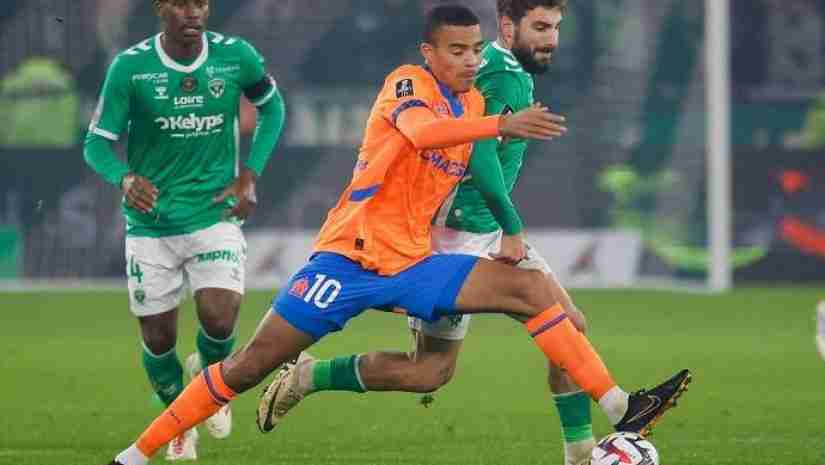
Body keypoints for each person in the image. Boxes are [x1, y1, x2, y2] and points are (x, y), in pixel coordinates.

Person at [107, 6, 689, 465]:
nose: (469, 60)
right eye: (456, 50)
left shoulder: (475, 102)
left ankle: (621, 409)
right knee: (248, 366)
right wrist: (501, 123)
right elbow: (421, 133)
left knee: (531, 291)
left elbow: (478, 159)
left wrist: (507, 213)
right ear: (429, 53)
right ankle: (135, 454)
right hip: (347, 259)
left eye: (475, 50)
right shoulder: (407, 83)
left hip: (414, 263)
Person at [257, 2, 601, 464]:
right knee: (429, 372)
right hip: (456, 235)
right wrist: (511, 225)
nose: (551, 38)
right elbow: (478, 157)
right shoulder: (492, 74)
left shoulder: (510, 71)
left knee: (569, 326)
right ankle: (309, 376)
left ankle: (582, 452)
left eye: (556, 27)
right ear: (507, 26)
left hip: (487, 229)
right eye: (541, 27)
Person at [84, 0, 285, 460]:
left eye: (200, 3)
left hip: (214, 215)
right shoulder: (131, 68)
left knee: (220, 317)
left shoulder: (236, 56)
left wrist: (250, 174)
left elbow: (273, 109)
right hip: (150, 225)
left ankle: (207, 389)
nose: (193, 12)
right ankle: (180, 418)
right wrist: (124, 178)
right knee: (158, 340)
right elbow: (96, 143)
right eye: (180, 3)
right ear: (161, 8)